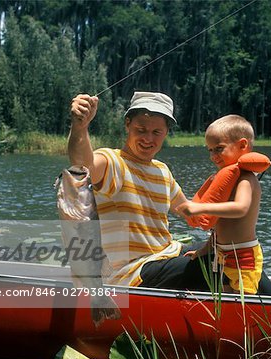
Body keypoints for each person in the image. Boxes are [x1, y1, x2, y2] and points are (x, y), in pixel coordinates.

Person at [68, 91, 210, 290]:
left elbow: (189, 211)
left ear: (166, 132)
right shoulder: (112, 161)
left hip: (166, 255)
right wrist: (80, 127)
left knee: (229, 252)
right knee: (211, 263)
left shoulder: (162, 170)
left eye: (156, 132)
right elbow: (82, 163)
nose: (147, 139)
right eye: (140, 129)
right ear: (128, 125)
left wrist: (233, 202)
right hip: (130, 273)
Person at [176, 115, 263, 294]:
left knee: (242, 305)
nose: (213, 156)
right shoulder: (228, 180)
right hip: (223, 255)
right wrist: (203, 251)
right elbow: (219, 228)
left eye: (219, 149)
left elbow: (241, 208)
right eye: (210, 150)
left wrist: (198, 208)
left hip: (244, 257)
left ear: (242, 145)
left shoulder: (246, 179)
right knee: (225, 299)